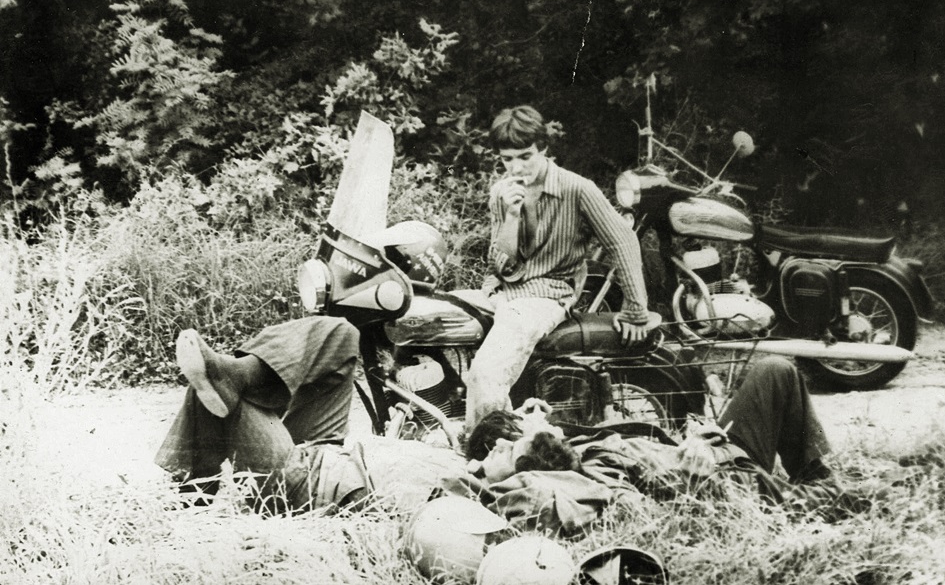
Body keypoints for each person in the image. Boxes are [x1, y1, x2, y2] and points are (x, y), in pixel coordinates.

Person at [154, 318, 587, 515]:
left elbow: (551, 496)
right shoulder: (472, 462)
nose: (503, 443)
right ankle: (241, 373)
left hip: (298, 478)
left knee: (220, 397)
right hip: (330, 449)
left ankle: (193, 492)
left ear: (523, 479)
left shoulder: (475, 500)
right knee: (342, 335)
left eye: (511, 451)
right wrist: (530, 423)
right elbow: (489, 437)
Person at [458, 356, 874, 521]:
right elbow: (627, 500)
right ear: (519, 448)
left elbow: (649, 442)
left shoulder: (570, 441)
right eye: (522, 424)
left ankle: (816, 474)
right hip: (724, 478)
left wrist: (698, 437)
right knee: (863, 497)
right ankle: (824, 495)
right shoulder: (566, 469)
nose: (534, 415)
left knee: (775, 370)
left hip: (713, 448)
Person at [464, 105, 654, 430]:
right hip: (503, 290)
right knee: (438, 322)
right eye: (507, 159)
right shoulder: (501, 192)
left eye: (525, 156)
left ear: (543, 148)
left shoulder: (576, 189)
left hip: (548, 292)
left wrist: (636, 310)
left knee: (487, 372)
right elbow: (500, 264)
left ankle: (490, 447)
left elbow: (622, 241)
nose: (516, 167)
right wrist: (511, 216)